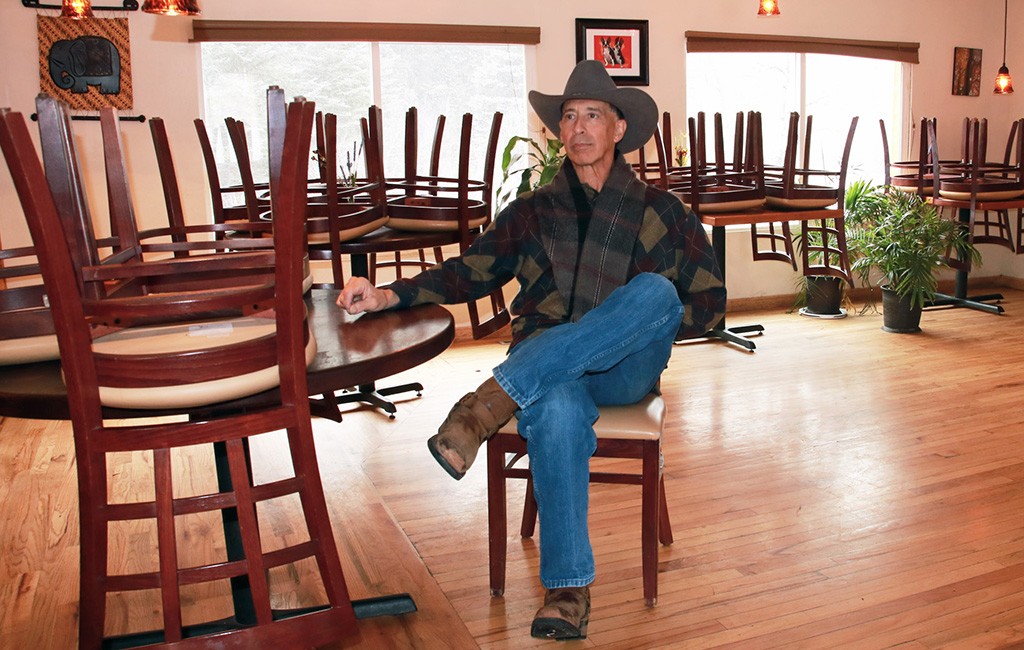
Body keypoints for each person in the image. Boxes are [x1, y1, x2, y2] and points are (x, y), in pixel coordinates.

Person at [338, 60, 726, 640]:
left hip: (626, 370)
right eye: (568, 117)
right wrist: (388, 293)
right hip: (549, 366)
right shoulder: (532, 211)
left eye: (592, 115)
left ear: (619, 129)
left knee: (655, 292)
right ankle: (567, 591)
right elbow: (470, 271)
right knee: (558, 404)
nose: (578, 129)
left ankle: (487, 405)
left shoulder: (662, 212)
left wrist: (646, 323)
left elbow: (710, 303)